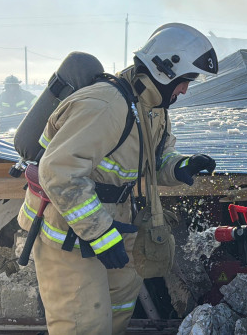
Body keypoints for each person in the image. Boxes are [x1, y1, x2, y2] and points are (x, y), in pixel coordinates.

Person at [16, 23, 219, 334]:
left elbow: (154, 157)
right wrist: (99, 232)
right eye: (185, 80)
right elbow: (58, 172)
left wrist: (180, 167)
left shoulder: (151, 107)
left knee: (118, 312)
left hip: (115, 227)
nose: (185, 90)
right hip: (68, 236)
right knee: (85, 326)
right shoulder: (105, 105)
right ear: (165, 70)